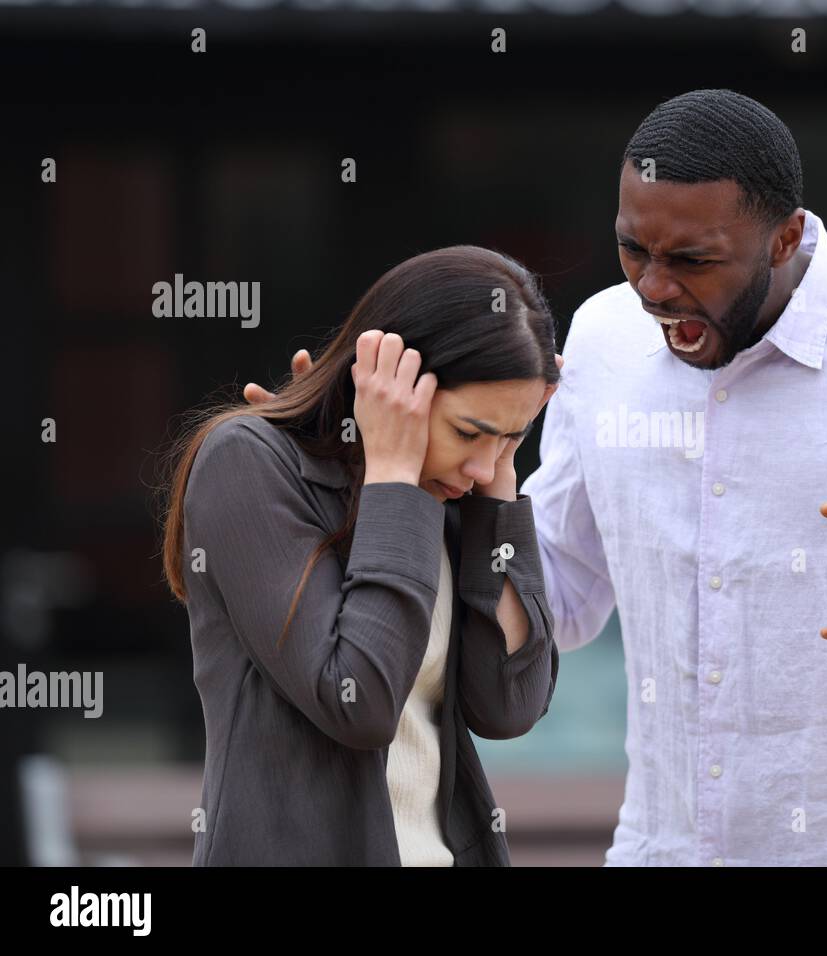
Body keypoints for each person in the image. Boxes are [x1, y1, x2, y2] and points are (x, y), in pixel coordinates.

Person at [250, 89, 827, 866]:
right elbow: (559, 595)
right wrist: (368, 472)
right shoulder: (604, 340)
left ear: (786, 237)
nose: (654, 289)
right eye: (632, 249)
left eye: (693, 261)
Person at [160, 246, 562, 865]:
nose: (483, 465)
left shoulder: (458, 492)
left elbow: (510, 704)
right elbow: (359, 701)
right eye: (469, 432)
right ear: (395, 387)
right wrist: (394, 476)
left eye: (512, 436)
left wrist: (500, 498)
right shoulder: (246, 461)